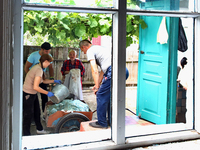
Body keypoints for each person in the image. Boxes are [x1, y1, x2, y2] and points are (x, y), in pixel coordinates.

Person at [79, 39, 129, 129]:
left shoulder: (90, 50)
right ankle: (111, 121)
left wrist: (97, 88)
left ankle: (102, 123)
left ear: (84, 47)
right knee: (109, 95)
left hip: (113, 71)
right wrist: (97, 83)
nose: (85, 53)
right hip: (123, 70)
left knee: (100, 95)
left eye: (83, 51)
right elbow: (103, 70)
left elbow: (94, 70)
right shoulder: (101, 49)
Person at [23, 54, 61, 136]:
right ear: (45, 61)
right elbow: (36, 87)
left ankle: (39, 129)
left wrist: (54, 81)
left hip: (33, 93)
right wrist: (48, 93)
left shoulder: (39, 67)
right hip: (28, 94)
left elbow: (43, 81)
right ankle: (26, 135)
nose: (49, 65)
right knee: (28, 115)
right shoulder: (38, 69)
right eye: (49, 63)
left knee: (37, 112)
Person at [24, 42, 54, 114]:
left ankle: (44, 113)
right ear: (42, 49)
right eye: (46, 51)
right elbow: (26, 67)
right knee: (33, 98)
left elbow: (51, 68)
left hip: (41, 77)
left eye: (49, 51)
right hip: (33, 79)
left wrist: (52, 78)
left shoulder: (48, 56)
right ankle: (32, 116)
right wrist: (31, 78)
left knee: (44, 97)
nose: (47, 53)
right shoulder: (33, 56)